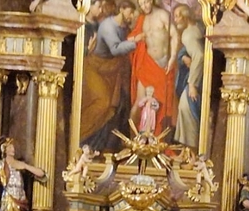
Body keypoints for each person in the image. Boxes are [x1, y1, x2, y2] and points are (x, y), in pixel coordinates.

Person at [81, 0, 138, 150]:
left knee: (114, 107)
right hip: (95, 68)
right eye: (98, 6)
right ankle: (80, 135)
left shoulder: (116, 26)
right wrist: (135, 42)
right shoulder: (106, 26)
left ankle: (100, 145)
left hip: (111, 71)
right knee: (103, 102)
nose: (101, 10)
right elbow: (115, 49)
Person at [129, 0, 178, 134]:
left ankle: (154, 140)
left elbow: (174, 35)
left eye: (146, 2)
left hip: (162, 66)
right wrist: (136, 38)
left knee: (158, 106)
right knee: (138, 104)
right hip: (146, 64)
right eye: (141, 4)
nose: (144, 6)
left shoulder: (162, 15)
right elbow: (131, 38)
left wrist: (172, 58)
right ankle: (133, 140)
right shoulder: (141, 19)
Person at [173, 3, 203, 148]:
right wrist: (183, 56)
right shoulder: (196, 28)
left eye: (177, 16)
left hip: (195, 80)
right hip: (196, 77)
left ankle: (191, 149)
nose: (175, 20)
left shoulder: (188, 34)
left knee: (186, 108)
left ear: (185, 17)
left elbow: (199, 55)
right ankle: (188, 150)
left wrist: (192, 84)